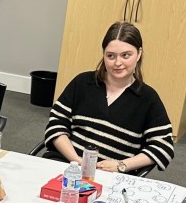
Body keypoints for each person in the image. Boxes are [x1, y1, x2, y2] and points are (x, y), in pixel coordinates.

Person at [43, 21, 174, 174]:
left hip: (112, 177)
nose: (118, 63)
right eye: (110, 56)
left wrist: (121, 165)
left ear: (139, 54)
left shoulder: (148, 98)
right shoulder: (82, 82)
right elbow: (56, 125)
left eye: (126, 55)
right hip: (67, 165)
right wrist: (77, 162)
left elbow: (163, 146)